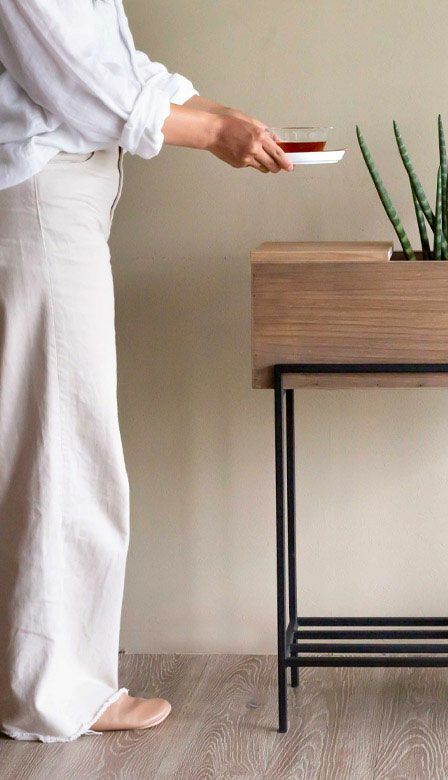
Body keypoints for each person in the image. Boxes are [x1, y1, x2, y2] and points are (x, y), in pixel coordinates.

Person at [0, 0, 292, 742]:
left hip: (53, 192)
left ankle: (39, 677)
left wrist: (219, 114)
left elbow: (115, 65)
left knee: (43, 443)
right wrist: (212, 131)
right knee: (66, 450)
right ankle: (54, 692)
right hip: (44, 199)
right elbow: (78, 81)